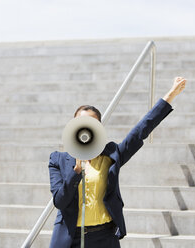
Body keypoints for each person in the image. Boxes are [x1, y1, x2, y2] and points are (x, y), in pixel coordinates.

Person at [48, 77, 187, 248]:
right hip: (71, 239)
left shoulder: (111, 155)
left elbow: (140, 131)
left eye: (92, 123)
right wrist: (75, 172)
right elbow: (60, 201)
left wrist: (170, 95)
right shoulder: (58, 159)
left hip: (104, 237)